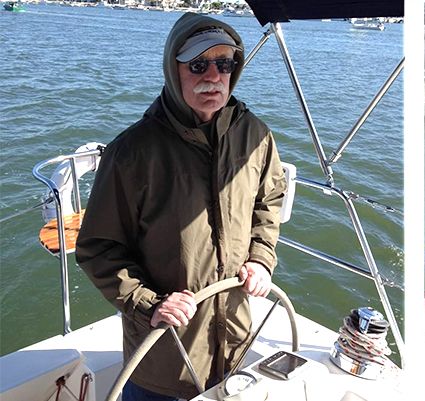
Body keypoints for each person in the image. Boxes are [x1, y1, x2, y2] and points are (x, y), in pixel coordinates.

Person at [76, 13, 287, 400]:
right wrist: (148, 303)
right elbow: (98, 248)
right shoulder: (131, 153)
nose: (213, 75)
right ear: (173, 71)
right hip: (162, 354)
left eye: (224, 63)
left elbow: (268, 200)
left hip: (234, 345)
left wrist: (260, 256)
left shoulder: (256, 135)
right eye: (197, 64)